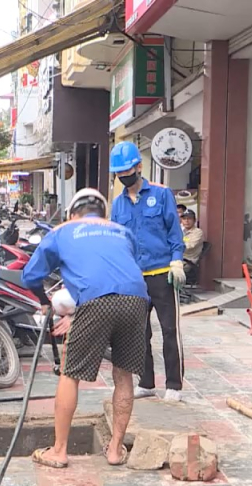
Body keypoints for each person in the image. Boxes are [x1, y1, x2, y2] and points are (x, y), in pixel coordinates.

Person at [21, 188, 149, 468]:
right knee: (123, 373)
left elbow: (30, 275)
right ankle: (115, 450)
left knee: (70, 374)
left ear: (71, 213)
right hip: (137, 299)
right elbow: (121, 268)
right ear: (103, 214)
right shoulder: (121, 231)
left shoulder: (63, 230)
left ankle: (59, 450)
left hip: (96, 301)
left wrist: (45, 302)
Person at [109, 141, 187, 402]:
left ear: (139, 167)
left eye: (127, 171)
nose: (123, 177)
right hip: (134, 278)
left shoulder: (162, 194)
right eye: (118, 173)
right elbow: (117, 243)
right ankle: (146, 382)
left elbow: (175, 234)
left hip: (162, 274)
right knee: (139, 333)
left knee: (169, 331)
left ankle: (174, 385)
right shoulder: (118, 206)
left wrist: (177, 261)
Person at [179, 207, 204, 276]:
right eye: (184, 219)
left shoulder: (198, 232)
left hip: (188, 261)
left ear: (194, 220)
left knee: (170, 270)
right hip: (178, 259)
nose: (186, 221)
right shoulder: (180, 231)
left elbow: (190, 246)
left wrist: (176, 246)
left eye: (189, 219)